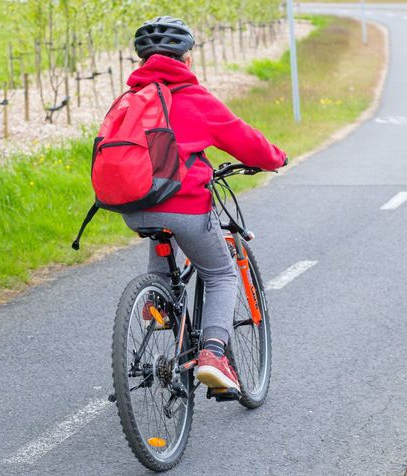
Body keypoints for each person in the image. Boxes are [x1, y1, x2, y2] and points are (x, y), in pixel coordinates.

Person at [123, 16, 287, 392]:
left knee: (162, 231)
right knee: (221, 274)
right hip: (184, 207)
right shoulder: (193, 98)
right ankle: (213, 354)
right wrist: (275, 158)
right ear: (186, 59)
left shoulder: (132, 99)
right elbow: (245, 140)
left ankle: (157, 299)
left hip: (134, 206)